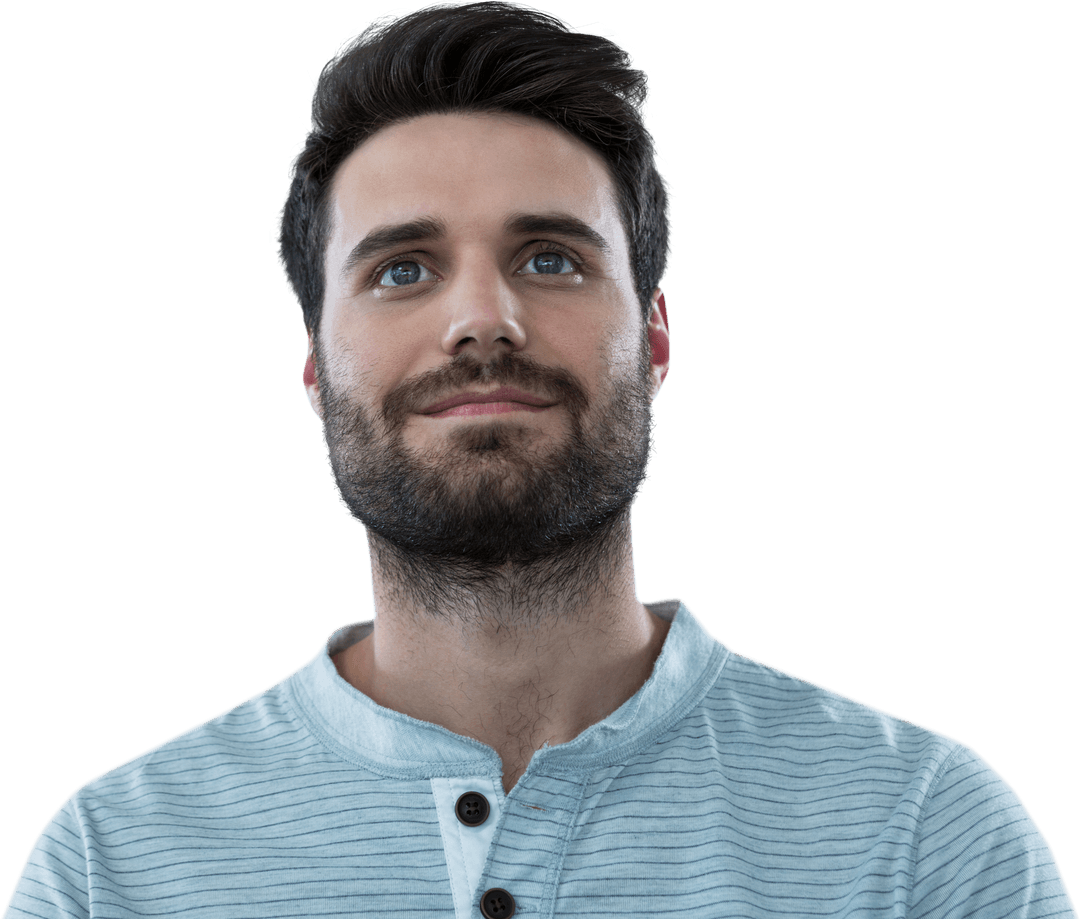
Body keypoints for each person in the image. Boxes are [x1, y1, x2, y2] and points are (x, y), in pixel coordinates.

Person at [5, 2, 1075, 918]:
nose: (483, 318)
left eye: (551, 257)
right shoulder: (113, 868)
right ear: (314, 370)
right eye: (402, 268)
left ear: (653, 340)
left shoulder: (924, 838)